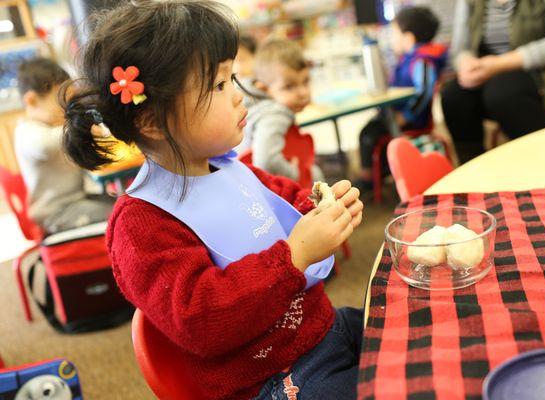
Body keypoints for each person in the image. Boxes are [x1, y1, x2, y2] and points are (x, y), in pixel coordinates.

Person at [61, 2, 364, 399]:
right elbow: (200, 320)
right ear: (150, 120)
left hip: (323, 329)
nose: (239, 98)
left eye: (232, 78)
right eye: (218, 86)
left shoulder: (230, 167)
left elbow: (288, 204)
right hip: (275, 380)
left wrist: (325, 208)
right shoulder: (142, 223)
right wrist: (294, 255)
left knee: (414, 319)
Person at [442, 0, 545, 163]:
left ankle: (544, 164)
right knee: (454, 96)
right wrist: (466, 64)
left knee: (505, 92)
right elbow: (460, 49)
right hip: (492, 75)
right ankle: (472, 171)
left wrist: (499, 64)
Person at [13, 57, 113, 235]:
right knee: (122, 214)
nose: (66, 108)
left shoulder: (47, 127)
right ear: (32, 101)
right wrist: (84, 128)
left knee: (124, 203)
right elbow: (44, 144)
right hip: (56, 214)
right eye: (61, 100)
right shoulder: (26, 131)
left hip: (75, 202)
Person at [354, 7, 447, 193]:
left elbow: (424, 93)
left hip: (410, 122)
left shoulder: (422, 60)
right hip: (397, 117)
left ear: (409, 38)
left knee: (368, 135)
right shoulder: (408, 58)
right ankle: (378, 174)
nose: (392, 39)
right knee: (369, 131)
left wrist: (406, 116)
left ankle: (370, 179)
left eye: (395, 34)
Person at [236, 38, 324, 188]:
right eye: (289, 86)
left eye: (305, 81)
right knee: (315, 174)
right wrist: (294, 173)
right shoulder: (275, 114)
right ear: (264, 88)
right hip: (267, 188)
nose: (303, 93)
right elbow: (266, 161)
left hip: (245, 183)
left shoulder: (254, 106)